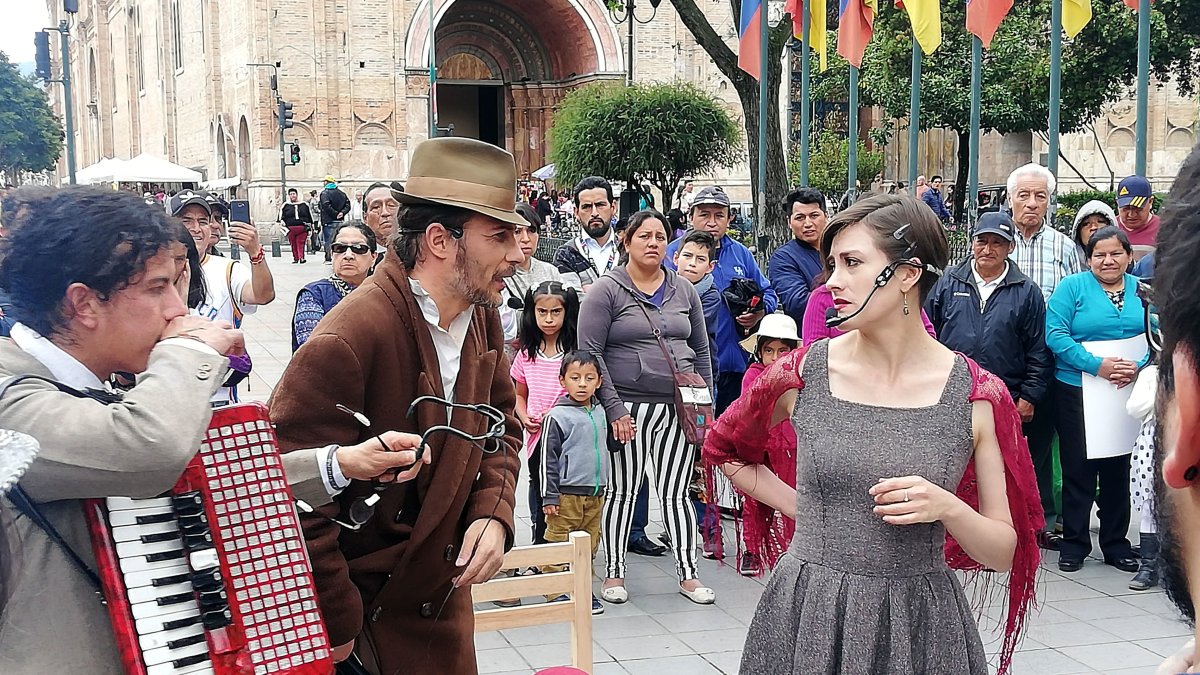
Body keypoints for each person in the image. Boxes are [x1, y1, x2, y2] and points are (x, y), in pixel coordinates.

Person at [704, 194, 1041, 675]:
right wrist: (806, 508)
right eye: (832, 263)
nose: (833, 281)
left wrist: (946, 506)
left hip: (920, 624)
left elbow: (1003, 552)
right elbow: (725, 449)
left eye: (852, 263)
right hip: (809, 613)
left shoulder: (977, 396)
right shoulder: (802, 374)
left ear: (907, 274)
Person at [268, 137, 524, 675]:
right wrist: (339, 627)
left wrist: (493, 514)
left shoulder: (482, 315)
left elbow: (503, 431)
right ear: (439, 240)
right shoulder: (351, 334)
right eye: (499, 236)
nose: (517, 253)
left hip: (442, 603)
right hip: (368, 627)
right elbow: (282, 491)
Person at [0, 187, 245, 672]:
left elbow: (194, 475)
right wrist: (191, 353)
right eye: (158, 288)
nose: (178, 308)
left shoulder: (84, 382)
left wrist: (335, 466)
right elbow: (150, 451)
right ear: (83, 304)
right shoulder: (10, 394)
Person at [578, 209, 715, 606]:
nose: (653, 243)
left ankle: (688, 574)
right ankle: (615, 572)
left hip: (679, 408)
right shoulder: (607, 290)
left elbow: (702, 350)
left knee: (675, 492)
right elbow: (591, 353)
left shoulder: (683, 290)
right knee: (623, 491)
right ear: (626, 240)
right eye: (645, 236)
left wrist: (707, 406)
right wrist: (615, 409)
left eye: (660, 236)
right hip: (628, 409)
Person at [925, 212, 1055, 544]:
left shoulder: (1026, 291)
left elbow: (1038, 349)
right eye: (982, 240)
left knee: (1000, 468)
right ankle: (950, 535)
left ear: (1010, 247)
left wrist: (1030, 395)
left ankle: (1002, 535)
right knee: (951, 465)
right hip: (950, 393)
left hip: (1005, 396)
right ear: (972, 242)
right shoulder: (948, 282)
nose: (988, 249)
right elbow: (926, 334)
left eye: (997, 242)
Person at [1045, 226, 1147, 573]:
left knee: (1119, 468)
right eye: (1099, 255)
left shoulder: (1142, 292)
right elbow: (1055, 335)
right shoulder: (1071, 288)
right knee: (1079, 468)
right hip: (1078, 389)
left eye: (1116, 253)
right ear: (1088, 260)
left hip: (1126, 391)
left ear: (1129, 257)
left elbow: (1158, 333)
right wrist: (1096, 365)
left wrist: (1139, 366)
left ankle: (1116, 544)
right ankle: (1074, 543)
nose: (1108, 260)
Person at [665, 186, 777, 414]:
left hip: (733, 364)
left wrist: (758, 313)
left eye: (719, 215)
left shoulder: (741, 254)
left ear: (730, 218)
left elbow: (770, 294)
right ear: (691, 216)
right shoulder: (671, 254)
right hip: (683, 366)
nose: (712, 222)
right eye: (704, 214)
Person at [171, 190, 276, 405]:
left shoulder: (227, 270)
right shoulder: (152, 271)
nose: (195, 229)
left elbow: (263, 295)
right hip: (168, 396)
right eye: (186, 220)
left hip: (218, 401)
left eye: (203, 221)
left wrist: (255, 252)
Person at [539, 350, 608, 615]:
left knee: (589, 544)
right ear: (562, 381)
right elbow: (548, 459)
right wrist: (550, 496)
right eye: (575, 378)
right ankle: (554, 589)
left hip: (595, 492)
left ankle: (581, 588)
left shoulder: (601, 411)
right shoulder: (557, 417)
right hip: (565, 494)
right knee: (559, 540)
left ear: (599, 382)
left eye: (589, 378)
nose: (582, 384)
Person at [512, 281, 579, 547]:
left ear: (567, 313)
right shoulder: (527, 353)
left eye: (555, 312)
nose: (549, 319)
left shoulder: (575, 353)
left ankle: (566, 546)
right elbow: (519, 394)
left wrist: (558, 413)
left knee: (567, 491)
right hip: (538, 437)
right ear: (532, 313)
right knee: (538, 487)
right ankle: (540, 545)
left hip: (570, 438)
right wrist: (523, 415)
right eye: (542, 312)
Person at [734, 312, 800, 577]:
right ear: (759, 352)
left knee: (792, 496)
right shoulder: (752, 376)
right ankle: (752, 549)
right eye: (769, 350)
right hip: (759, 446)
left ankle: (793, 548)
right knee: (755, 498)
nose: (775, 357)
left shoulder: (800, 378)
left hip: (790, 446)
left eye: (783, 350)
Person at [292, 222, 377, 351]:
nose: (348, 255)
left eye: (358, 248)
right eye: (340, 248)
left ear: (373, 257)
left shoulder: (383, 294)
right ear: (332, 254)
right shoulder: (314, 294)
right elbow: (311, 348)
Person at [1008, 163, 1083, 302]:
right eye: (1023, 195)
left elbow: (1076, 298)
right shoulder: (994, 243)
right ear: (1009, 200)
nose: (1032, 203)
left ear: (1048, 202)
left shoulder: (1064, 246)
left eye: (1040, 196)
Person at [499, 203, 565, 349]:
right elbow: (503, 325)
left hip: (549, 355)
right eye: (517, 231)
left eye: (531, 230)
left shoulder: (551, 271)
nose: (526, 238)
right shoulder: (498, 273)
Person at [770, 188, 827, 328]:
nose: (808, 223)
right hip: (812, 337)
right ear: (789, 222)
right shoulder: (784, 258)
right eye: (800, 218)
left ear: (826, 216)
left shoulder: (841, 248)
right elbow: (798, 305)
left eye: (814, 215)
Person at [553, 177, 621, 291]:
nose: (594, 213)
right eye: (587, 207)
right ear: (576, 212)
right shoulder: (566, 255)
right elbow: (572, 301)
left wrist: (590, 292)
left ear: (613, 207)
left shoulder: (628, 249)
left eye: (600, 205)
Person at [1115, 174, 1160, 261]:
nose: (1131, 214)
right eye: (1126, 208)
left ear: (1150, 202)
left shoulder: (1164, 229)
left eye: (1138, 208)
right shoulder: (1110, 227)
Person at [361, 181, 401, 268]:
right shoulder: (359, 255)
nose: (385, 213)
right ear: (365, 218)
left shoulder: (416, 252)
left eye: (391, 205)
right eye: (376, 207)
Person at [318, 175, 352, 263]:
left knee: (328, 240)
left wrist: (335, 214)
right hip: (340, 221)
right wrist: (342, 213)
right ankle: (339, 256)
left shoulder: (324, 193)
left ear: (327, 182)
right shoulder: (342, 193)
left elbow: (326, 206)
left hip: (328, 221)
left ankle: (329, 258)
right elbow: (348, 205)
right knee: (338, 239)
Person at [281, 187, 314, 264]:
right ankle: (295, 258)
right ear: (289, 196)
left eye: (294, 194)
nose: (293, 196)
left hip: (302, 228)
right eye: (291, 194)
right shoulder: (285, 206)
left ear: (297, 195)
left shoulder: (304, 205)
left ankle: (301, 257)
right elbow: (281, 217)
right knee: (293, 244)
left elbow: (309, 216)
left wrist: (310, 226)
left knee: (301, 243)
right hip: (290, 228)